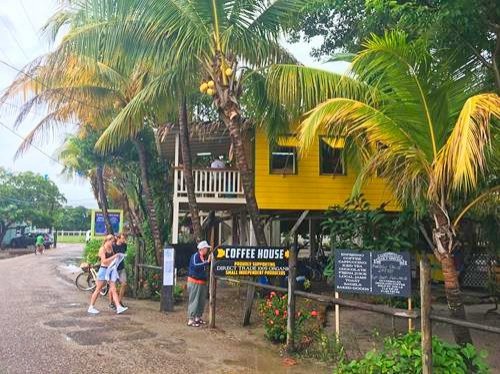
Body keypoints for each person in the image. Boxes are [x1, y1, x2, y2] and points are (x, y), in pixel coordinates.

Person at [88, 235, 128, 315]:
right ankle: (91, 307)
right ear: (107, 240)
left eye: (113, 242)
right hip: (103, 270)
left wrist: (118, 257)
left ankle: (118, 307)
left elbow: (113, 258)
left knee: (113, 288)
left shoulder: (111, 248)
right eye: (112, 242)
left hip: (111, 270)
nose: (113, 243)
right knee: (98, 289)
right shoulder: (102, 249)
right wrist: (114, 256)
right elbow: (104, 261)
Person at [187, 240, 211, 327]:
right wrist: (206, 262)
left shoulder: (203, 257)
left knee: (201, 301)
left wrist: (207, 262)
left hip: (202, 282)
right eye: (206, 248)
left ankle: (198, 317)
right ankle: (191, 319)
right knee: (194, 300)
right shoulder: (195, 256)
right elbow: (196, 265)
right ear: (202, 248)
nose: (207, 250)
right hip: (194, 282)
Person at [109, 233, 128, 310]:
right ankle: (111, 303)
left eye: (124, 238)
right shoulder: (113, 246)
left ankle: (119, 301)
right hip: (114, 268)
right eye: (122, 238)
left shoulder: (124, 245)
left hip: (121, 267)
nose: (123, 240)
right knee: (113, 286)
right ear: (118, 238)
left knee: (124, 284)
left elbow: (124, 253)